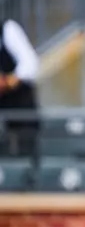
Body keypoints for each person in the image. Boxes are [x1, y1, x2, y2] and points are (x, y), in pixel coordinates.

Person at [0, 19, 40, 159]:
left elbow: (30, 64)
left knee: (25, 154)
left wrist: (8, 81)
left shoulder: (8, 29)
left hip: (20, 108)